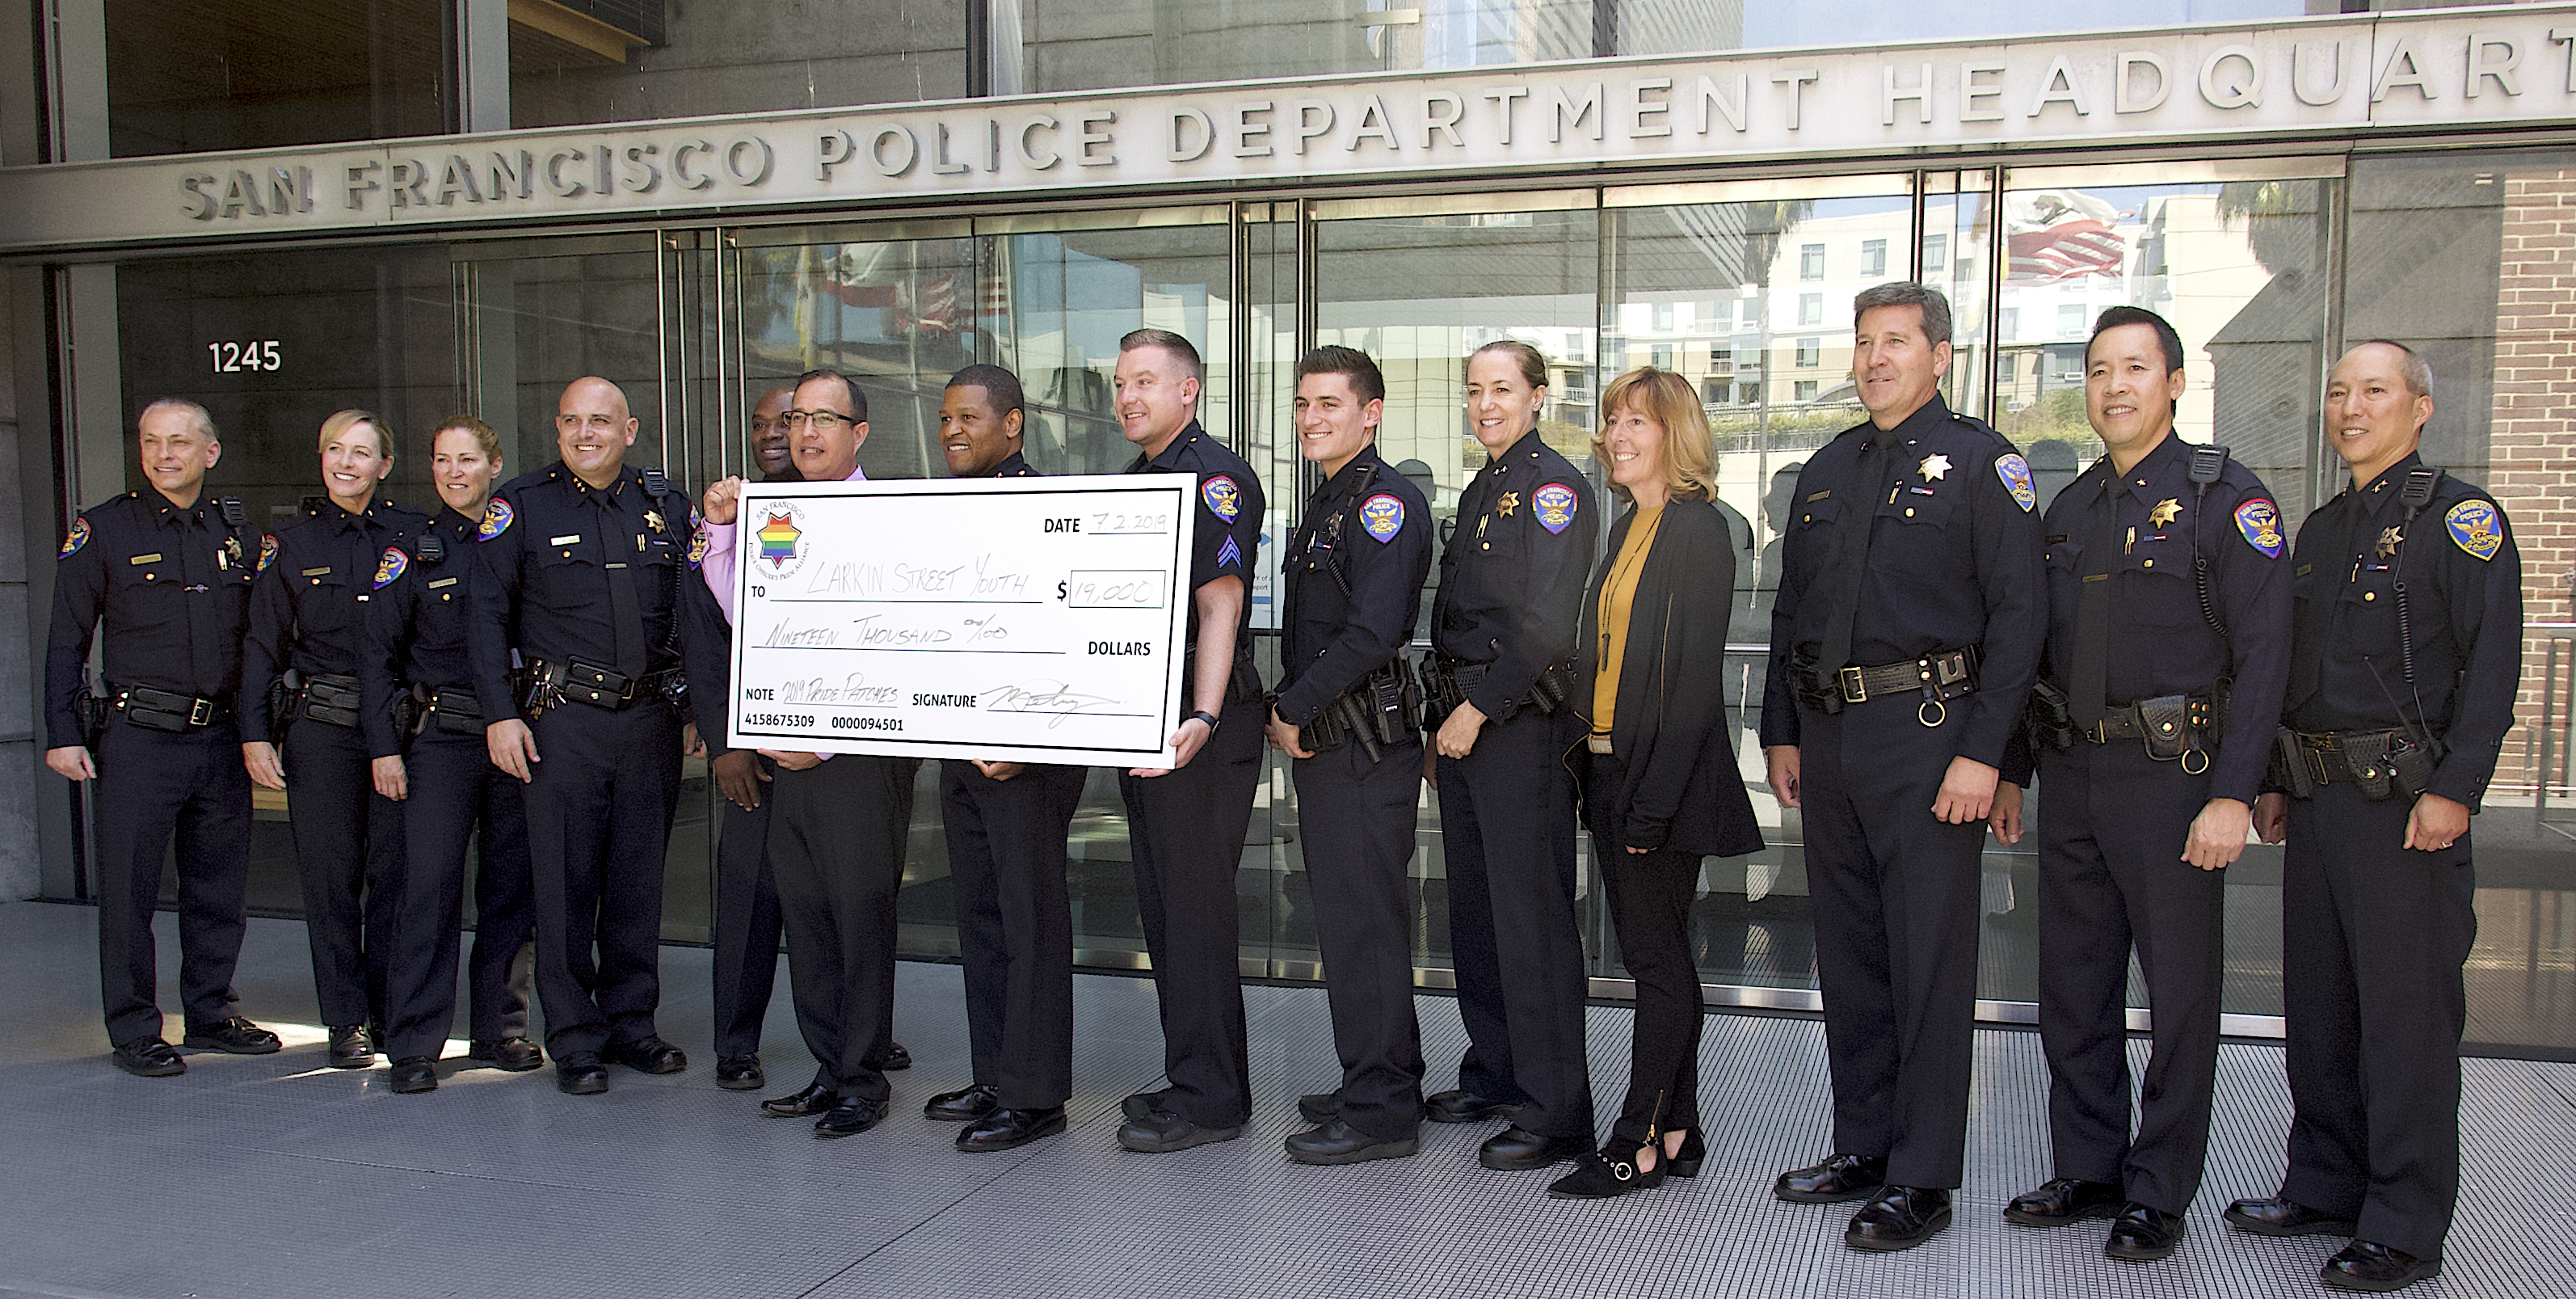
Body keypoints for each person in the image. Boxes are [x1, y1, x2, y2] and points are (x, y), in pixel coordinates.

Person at [1986, 308, 2291, 1259]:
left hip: (2176, 781)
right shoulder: (2068, 510)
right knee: (2070, 986)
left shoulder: (2224, 500)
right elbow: (2035, 654)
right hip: (2072, 774)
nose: (2113, 386)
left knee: (2178, 997)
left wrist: (2234, 792)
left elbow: (2265, 657)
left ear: (2172, 383)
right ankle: (2088, 1166)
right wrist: (2011, 769)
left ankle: (2157, 1188)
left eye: (2132, 368)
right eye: (2096, 370)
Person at [2228, 341, 2521, 1294]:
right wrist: (2272, 774)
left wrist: (2457, 789)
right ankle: (2323, 1181)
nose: (2350, 407)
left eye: (2374, 391)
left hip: (2407, 811)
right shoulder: (2317, 531)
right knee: (2318, 1009)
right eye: (2337, 391)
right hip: (2315, 806)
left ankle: (2401, 1219)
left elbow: (2492, 669)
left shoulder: (2460, 520)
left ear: (2419, 405)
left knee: (2402, 1021)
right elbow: (2290, 674)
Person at [1762, 282, 2044, 1250]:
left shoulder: (1980, 463)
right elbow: (1790, 612)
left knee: (1925, 961)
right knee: (1850, 955)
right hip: (1831, 737)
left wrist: (1985, 753)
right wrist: (1779, 729)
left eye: (1896, 341)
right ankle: (1863, 1145)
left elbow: (2019, 622)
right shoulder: (1828, 468)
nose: (1875, 357)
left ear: (1939, 355)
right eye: (1863, 341)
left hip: (1930, 736)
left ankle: (1921, 1175)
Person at [1548, 367, 1763, 1200]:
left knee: (1655, 960)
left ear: (1676, 435)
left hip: (1656, 781)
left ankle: (1636, 1135)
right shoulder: (1627, 527)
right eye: (1611, 419)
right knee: (1660, 953)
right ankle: (1680, 1124)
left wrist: (1650, 802)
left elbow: (1686, 686)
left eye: (1637, 420)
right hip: (1609, 769)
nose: (1618, 434)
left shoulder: (1697, 530)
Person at [700, 369, 920, 1138]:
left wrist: (817, 740)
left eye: (825, 419)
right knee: (810, 916)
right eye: (797, 418)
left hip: (857, 757)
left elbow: (898, 642)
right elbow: (743, 608)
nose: (805, 432)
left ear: (859, 434)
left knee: (860, 913)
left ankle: (863, 1078)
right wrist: (725, 531)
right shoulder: (776, 512)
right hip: (788, 753)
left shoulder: (890, 517)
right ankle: (831, 1068)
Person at [469, 376, 696, 1095]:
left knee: (637, 881)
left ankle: (633, 1024)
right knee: (564, 884)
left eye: (600, 421)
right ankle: (574, 1037)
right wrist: (500, 714)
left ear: (629, 431)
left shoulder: (665, 506)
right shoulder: (521, 507)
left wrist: (695, 707)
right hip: (559, 721)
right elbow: (482, 619)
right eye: (571, 421)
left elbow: (690, 614)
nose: (585, 433)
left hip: (649, 719)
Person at [44, 399, 282, 1077]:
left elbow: (262, 639)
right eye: (151, 441)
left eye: (179, 442)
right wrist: (64, 731)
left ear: (211, 452)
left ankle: (210, 1010)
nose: (163, 454)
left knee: (218, 884)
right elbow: (68, 638)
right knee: (129, 890)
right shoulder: (106, 530)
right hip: (139, 738)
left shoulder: (238, 536)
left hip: (219, 737)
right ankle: (134, 1027)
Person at [1422, 340, 1599, 1172]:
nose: (1485, 403)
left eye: (1502, 388)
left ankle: (1554, 1106)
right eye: (1473, 390)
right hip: (1462, 727)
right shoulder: (1484, 483)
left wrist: (1475, 708)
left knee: (1527, 921)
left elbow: (1545, 623)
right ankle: (1494, 1071)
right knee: (1478, 916)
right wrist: (1443, 719)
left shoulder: (1553, 487)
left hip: (1516, 728)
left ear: (1536, 395)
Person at [1266, 346, 1434, 1166]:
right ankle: (1380, 1073)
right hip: (1334, 747)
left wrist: (1288, 707)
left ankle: (1379, 1113)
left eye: (1329, 404)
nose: (1311, 418)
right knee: (1347, 922)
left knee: (1363, 925)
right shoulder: (1330, 498)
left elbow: (1372, 631)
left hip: (1360, 747)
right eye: (1302, 404)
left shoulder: (1382, 503)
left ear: (1369, 412)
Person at [1109, 327, 1269, 1154]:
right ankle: (1189, 1073)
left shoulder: (1213, 475)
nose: (1128, 396)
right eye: (1119, 383)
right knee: (1165, 906)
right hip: (1143, 717)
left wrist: (1200, 718)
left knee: (1196, 909)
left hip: (1196, 722)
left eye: (1144, 381)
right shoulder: (1139, 474)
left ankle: (1213, 1099)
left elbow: (1220, 606)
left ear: (1187, 390)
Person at [922, 364, 1086, 1152]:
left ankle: (1035, 1095)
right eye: (945, 417)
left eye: (968, 418)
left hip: (1028, 756)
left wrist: (1031, 738)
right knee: (979, 916)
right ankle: (993, 1072)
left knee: (1030, 921)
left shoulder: (1050, 507)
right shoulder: (935, 507)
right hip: (960, 746)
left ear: (1013, 425)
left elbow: (1072, 636)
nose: (951, 430)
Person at [241, 410, 426, 1070]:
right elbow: (261, 647)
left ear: (385, 465)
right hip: (321, 730)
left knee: (397, 877)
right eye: (334, 451)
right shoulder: (288, 544)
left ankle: (387, 1008)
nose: (345, 462)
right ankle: (345, 1019)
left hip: (399, 734)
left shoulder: (412, 536)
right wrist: (255, 733)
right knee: (330, 880)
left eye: (361, 453)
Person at [360, 415, 541, 1094]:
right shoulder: (412, 548)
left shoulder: (517, 538)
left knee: (510, 888)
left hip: (517, 737)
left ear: (494, 465)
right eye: (442, 461)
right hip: (439, 739)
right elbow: (376, 657)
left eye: (468, 460)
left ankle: (500, 1029)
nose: (454, 472)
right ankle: (414, 1041)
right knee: (428, 888)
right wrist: (385, 748)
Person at [701, 383, 796, 1092]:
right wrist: (726, 744)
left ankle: (866, 1037)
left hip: (845, 754)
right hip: (754, 753)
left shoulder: (866, 508)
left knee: (852, 900)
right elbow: (704, 642)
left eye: (787, 419)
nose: (773, 434)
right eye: (761, 423)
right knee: (748, 898)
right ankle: (736, 1041)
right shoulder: (732, 521)